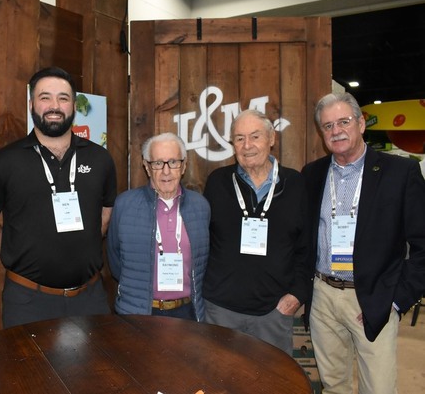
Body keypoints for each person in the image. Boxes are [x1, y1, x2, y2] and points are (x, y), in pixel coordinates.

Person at [302, 92, 425, 394]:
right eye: (328, 126)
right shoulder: (312, 174)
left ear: (360, 124)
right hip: (323, 296)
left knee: (379, 389)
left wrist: (396, 300)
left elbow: (422, 244)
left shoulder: (400, 173)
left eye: (343, 122)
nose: (336, 131)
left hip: (374, 297)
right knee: (333, 386)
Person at [0, 66, 117, 328]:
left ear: (74, 106)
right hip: (28, 300)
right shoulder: (3, 163)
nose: (54, 106)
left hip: (89, 298)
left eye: (63, 98)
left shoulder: (100, 159)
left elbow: (106, 210)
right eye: (45, 97)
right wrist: (12, 250)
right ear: (31, 104)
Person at [202, 109, 309, 354]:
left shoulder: (295, 184)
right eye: (239, 138)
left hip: (274, 313)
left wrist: (297, 295)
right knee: (218, 375)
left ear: (271, 139)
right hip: (220, 311)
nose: (247, 145)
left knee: (271, 376)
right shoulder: (217, 182)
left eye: (255, 136)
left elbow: (306, 247)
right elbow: (203, 242)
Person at [106, 133, 210, 321]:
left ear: (183, 166)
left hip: (188, 312)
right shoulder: (125, 204)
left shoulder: (200, 206)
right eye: (158, 163)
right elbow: (115, 259)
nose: (166, 171)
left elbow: (204, 261)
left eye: (173, 162)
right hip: (137, 312)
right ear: (147, 167)